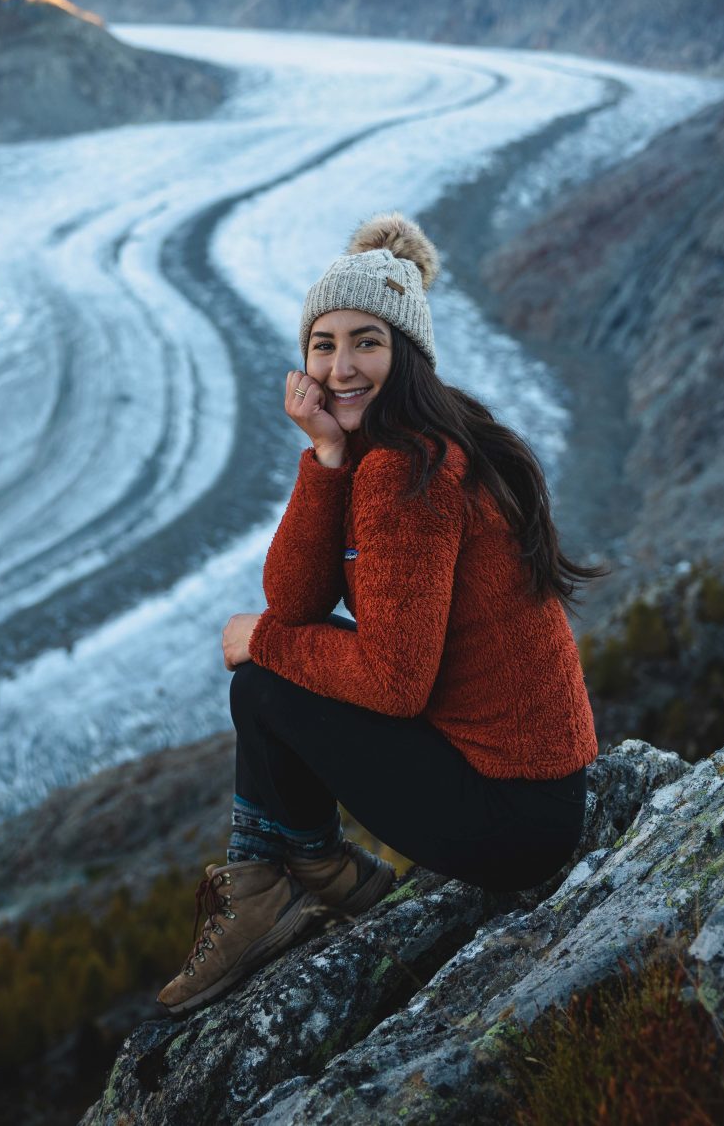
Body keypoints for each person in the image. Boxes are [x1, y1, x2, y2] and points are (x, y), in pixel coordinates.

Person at [156, 210, 603, 1017]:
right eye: (322, 345)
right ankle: (303, 877)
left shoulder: (407, 472)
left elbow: (392, 683)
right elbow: (295, 599)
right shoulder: (422, 443)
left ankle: (287, 885)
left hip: (510, 819)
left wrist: (262, 640)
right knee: (279, 655)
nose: (341, 365)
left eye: (367, 341)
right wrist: (324, 457)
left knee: (265, 681)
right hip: (536, 796)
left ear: (407, 354)